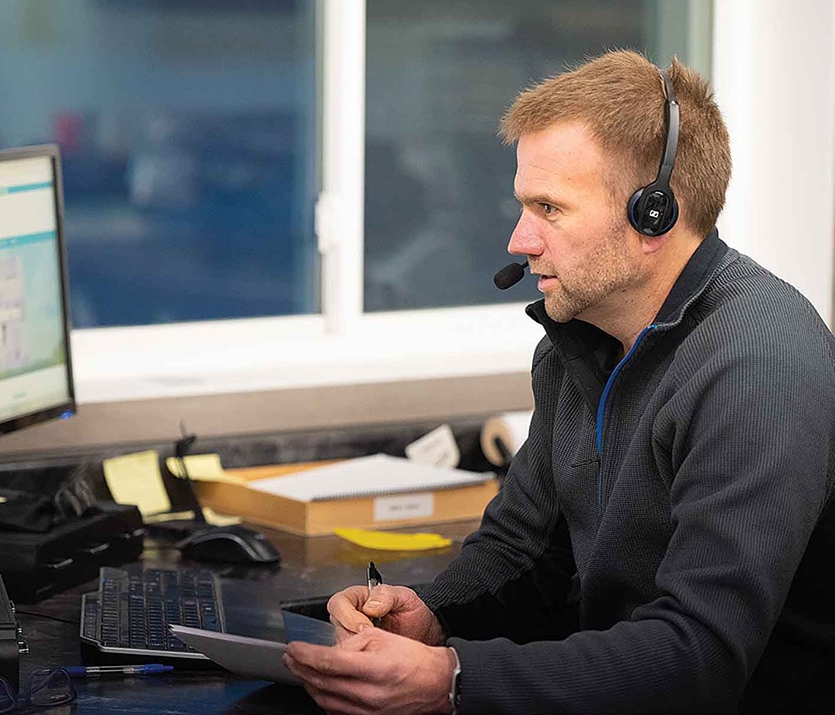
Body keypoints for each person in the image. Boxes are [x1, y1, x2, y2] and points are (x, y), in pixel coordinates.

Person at [283, 50, 835, 713]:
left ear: (652, 214)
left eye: (550, 208)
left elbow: (700, 655)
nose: (520, 239)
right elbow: (525, 552)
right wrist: (429, 615)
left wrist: (452, 679)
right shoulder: (582, 339)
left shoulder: (757, 364)